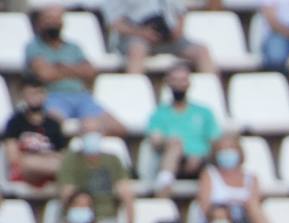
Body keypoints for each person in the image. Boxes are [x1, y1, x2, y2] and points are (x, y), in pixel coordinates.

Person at [24, 6, 125, 137]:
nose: (53, 22)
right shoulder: (33, 47)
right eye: (49, 19)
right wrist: (76, 69)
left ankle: (84, 139)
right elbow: (46, 74)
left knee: (118, 128)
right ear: (39, 23)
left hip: (81, 96)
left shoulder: (73, 47)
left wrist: (59, 67)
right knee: (49, 127)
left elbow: (91, 72)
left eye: (57, 19)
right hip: (53, 96)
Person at [57, 132, 142, 223]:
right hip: (79, 220)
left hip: (106, 219)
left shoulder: (112, 160)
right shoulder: (71, 160)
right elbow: (68, 194)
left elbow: (126, 192)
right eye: (87, 130)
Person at [145, 61, 220, 195]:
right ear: (167, 82)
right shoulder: (159, 114)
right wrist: (171, 143)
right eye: (175, 80)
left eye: (183, 80)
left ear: (189, 83)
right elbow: (156, 139)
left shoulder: (204, 112)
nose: (179, 84)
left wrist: (200, 156)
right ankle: (164, 186)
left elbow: (214, 140)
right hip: (174, 162)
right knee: (175, 144)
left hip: (201, 162)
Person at [198, 135, 281, 223]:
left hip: (243, 222)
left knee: (253, 208)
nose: (227, 152)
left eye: (231, 148)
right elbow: (205, 207)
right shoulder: (209, 175)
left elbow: (254, 204)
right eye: (222, 149)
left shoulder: (251, 178)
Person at [104, 0, 213, 75]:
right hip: (135, 37)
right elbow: (115, 23)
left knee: (202, 51)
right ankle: (134, 92)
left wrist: (177, 30)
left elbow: (181, 13)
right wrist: (142, 32)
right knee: (137, 50)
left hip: (168, 37)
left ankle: (211, 96)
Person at [3, 76, 69, 187]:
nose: (34, 98)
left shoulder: (53, 123)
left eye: (38, 93)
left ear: (45, 95)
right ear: (23, 96)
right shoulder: (15, 122)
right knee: (32, 163)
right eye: (30, 94)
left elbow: (62, 154)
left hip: (51, 172)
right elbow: (13, 157)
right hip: (25, 172)